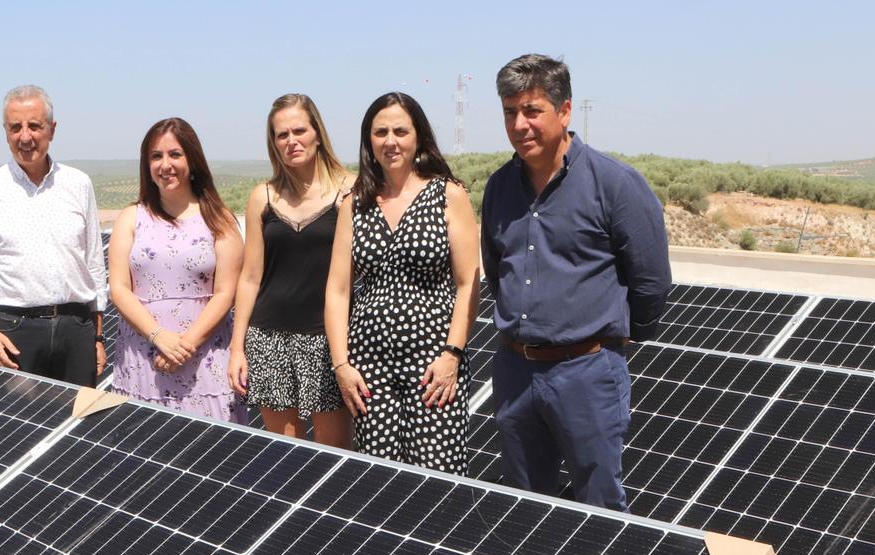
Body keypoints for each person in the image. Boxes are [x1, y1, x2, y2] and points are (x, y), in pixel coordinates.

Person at [482, 54, 671, 512]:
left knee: (600, 506)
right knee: (526, 505)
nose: (520, 124)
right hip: (514, 372)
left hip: (585, 373)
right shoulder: (499, 188)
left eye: (532, 111)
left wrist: (612, 344)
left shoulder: (615, 183)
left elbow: (651, 281)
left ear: (564, 110)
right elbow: (496, 268)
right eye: (510, 112)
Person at [324, 92, 481, 474]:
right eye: (380, 132)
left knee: (438, 474)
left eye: (400, 131)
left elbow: (467, 283)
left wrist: (452, 355)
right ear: (369, 140)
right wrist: (341, 364)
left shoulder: (448, 195)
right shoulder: (355, 202)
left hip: (434, 364)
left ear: (418, 138)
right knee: (379, 480)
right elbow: (337, 290)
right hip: (368, 368)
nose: (390, 141)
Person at [0, 84, 107, 386]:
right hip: (13, 333)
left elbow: (94, 267)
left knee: (78, 428)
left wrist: (98, 336)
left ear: (52, 129)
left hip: (76, 331)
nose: (25, 137)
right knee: (15, 427)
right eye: (15, 128)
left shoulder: (79, 185)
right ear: (5, 132)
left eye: (35, 126)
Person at [228, 94, 353, 448]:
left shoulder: (351, 191)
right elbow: (251, 277)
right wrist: (238, 348)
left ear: (317, 133)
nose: (291, 141)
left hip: (328, 340)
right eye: (281, 135)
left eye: (299, 130)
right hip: (269, 338)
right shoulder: (262, 197)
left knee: (335, 454)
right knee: (285, 456)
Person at [107, 118, 247, 422]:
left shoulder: (220, 220)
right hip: (142, 358)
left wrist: (185, 345)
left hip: (204, 358)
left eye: (175, 154)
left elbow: (226, 292)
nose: (165, 164)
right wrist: (159, 337)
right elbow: (118, 287)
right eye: (156, 156)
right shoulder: (131, 217)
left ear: (192, 160)